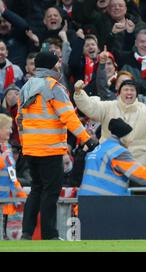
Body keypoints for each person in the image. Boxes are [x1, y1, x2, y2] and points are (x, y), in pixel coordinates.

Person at [17, 51, 98, 240]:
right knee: (50, 191)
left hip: (30, 148)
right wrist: (86, 138)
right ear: (51, 66)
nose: (60, 65)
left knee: (36, 189)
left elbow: (19, 119)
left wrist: (25, 143)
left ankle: (27, 233)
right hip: (49, 147)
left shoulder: (26, 87)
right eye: (57, 62)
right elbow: (68, 116)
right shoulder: (54, 86)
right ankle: (50, 234)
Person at [73, 78, 146, 167]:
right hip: (110, 165)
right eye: (126, 90)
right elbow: (90, 107)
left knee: (136, 199)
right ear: (119, 93)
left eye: (132, 90)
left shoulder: (145, 110)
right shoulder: (108, 107)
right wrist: (79, 93)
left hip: (136, 167)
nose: (129, 92)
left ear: (136, 94)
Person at [78, 118, 146, 196]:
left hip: (85, 201)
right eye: (131, 136)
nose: (132, 139)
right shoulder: (118, 152)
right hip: (105, 202)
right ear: (123, 136)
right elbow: (138, 173)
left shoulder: (100, 149)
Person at [0, 114, 26, 239]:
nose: (11, 131)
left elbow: (11, 174)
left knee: (5, 238)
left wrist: (20, 192)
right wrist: (1, 159)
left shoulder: (8, 147)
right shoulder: (5, 152)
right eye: (8, 128)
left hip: (7, 200)